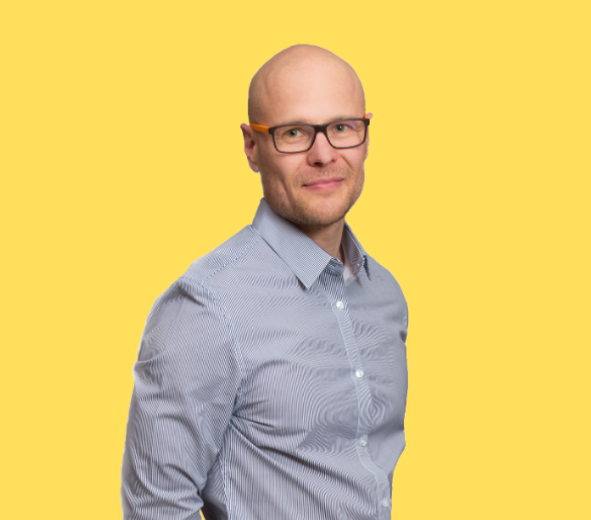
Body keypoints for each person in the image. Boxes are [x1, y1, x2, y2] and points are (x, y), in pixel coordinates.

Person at [121, 44, 409, 520]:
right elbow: (156, 508)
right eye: (293, 133)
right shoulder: (205, 307)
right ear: (252, 147)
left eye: (341, 128)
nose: (323, 155)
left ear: (365, 135)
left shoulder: (384, 293)